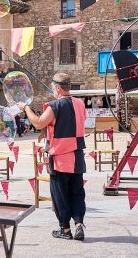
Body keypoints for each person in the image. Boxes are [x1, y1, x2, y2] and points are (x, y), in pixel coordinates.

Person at [18, 73, 86, 241]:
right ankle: (78, 224)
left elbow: (39, 122)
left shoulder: (55, 105)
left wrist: (26, 108)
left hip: (60, 158)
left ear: (57, 87)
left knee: (60, 194)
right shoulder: (80, 104)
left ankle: (65, 229)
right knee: (77, 192)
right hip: (77, 155)